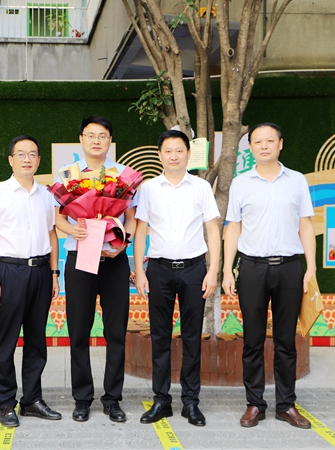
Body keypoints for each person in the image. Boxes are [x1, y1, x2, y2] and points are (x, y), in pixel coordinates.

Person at [222, 123, 315, 429]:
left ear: (280, 144)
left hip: (290, 267)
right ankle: (254, 404)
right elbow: (233, 227)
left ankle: (286, 405)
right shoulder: (240, 184)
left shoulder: (297, 181)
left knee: (286, 340)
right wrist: (227, 269)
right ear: (250, 148)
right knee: (253, 340)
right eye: (258, 142)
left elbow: (305, 224)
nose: (264, 146)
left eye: (269, 141)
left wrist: (311, 267)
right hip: (252, 268)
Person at [134, 130, 220, 427]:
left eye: (179, 150)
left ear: (188, 154)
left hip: (194, 269)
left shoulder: (201, 187)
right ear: (160, 155)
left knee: (192, 336)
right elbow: (141, 231)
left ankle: (191, 402)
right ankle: (161, 400)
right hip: (158, 270)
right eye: (168, 151)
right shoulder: (148, 188)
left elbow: (213, 230)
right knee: (160, 336)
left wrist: (213, 270)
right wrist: (140, 271)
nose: (174, 156)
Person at [55, 115, 137, 423]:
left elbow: (132, 218)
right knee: (79, 330)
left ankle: (113, 398)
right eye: (90, 135)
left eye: (102, 135)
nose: (96, 140)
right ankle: (82, 398)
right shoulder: (69, 176)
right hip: (80, 258)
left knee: (116, 331)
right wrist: (71, 230)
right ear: (81, 140)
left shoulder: (123, 176)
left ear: (109, 140)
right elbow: (58, 217)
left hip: (114, 260)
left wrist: (123, 241)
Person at [0, 135, 62, 428]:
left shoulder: (46, 195)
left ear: (39, 160)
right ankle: (5, 403)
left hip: (41, 271)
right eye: (21, 154)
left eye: (32, 154)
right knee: (7, 340)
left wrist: (54, 274)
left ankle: (32, 400)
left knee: (37, 340)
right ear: (11, 160)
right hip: (9, 272)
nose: (27, 159)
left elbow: (52, 234)